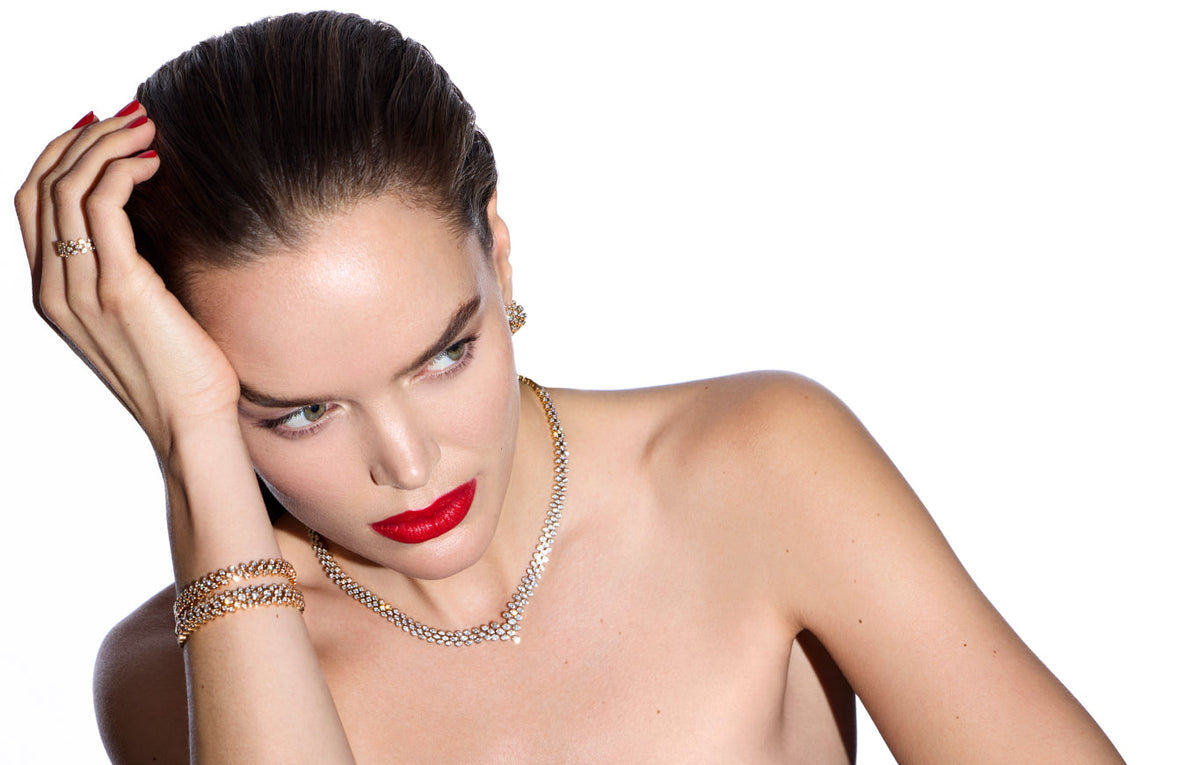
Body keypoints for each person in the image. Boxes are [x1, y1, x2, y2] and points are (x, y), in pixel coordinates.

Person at [16, 10, 1125, 764]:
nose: (409, 463)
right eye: (301, 411)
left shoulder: (759, 467)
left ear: (497, 259)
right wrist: (194, 446)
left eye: (443, 354)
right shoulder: (180, 672)